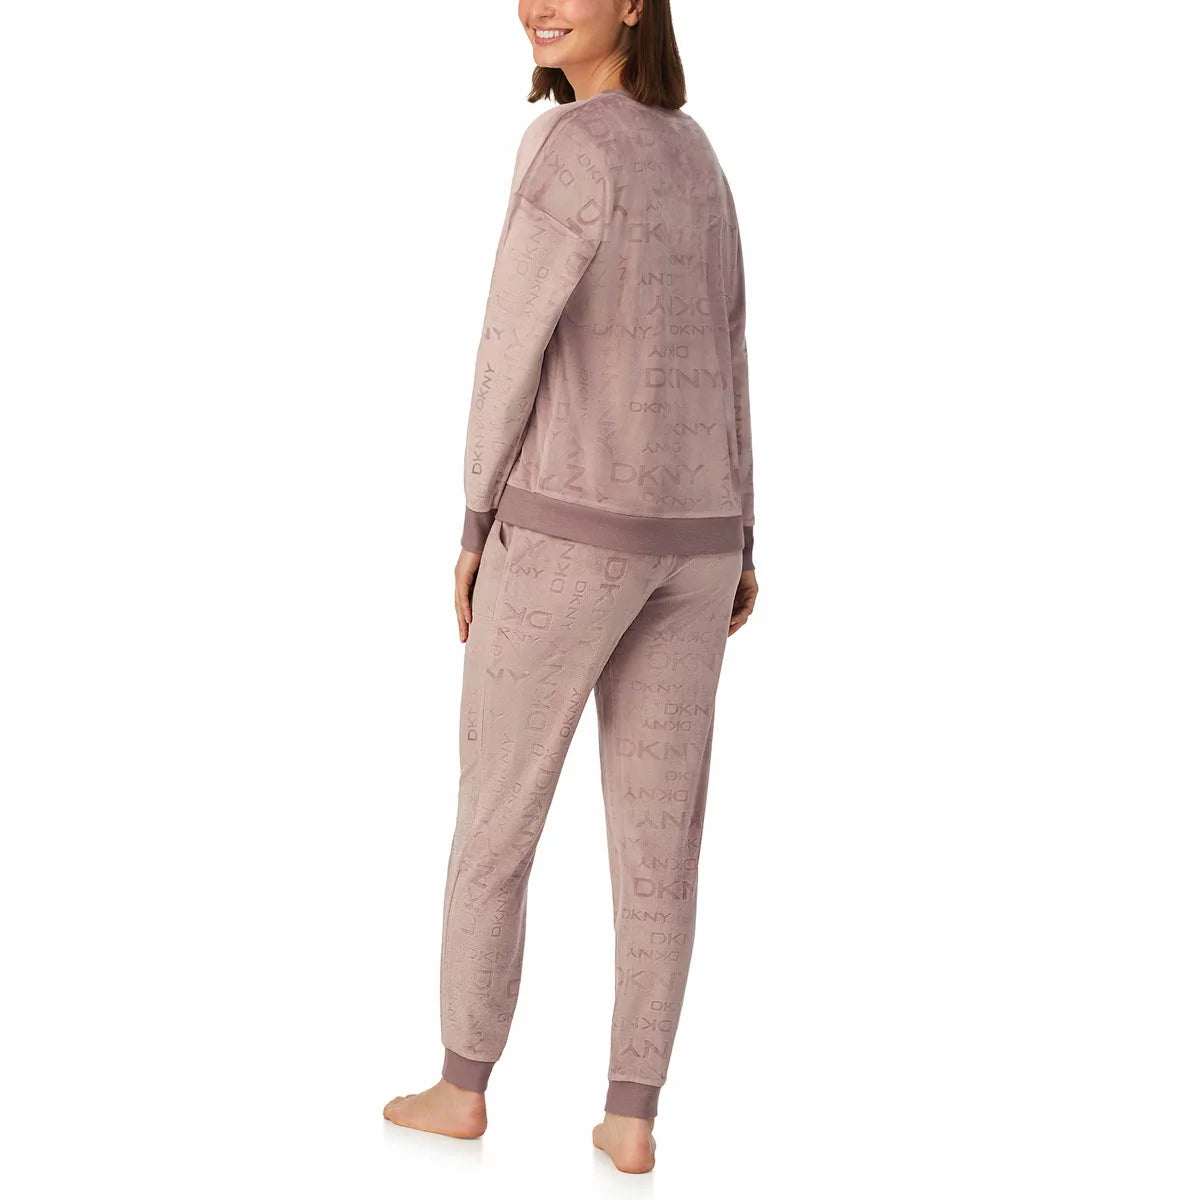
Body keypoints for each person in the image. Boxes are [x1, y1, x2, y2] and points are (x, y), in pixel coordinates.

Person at [383, 0, 758, 1174]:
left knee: (497, 819)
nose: (537, 5)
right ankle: (631, 1118)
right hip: (699, 540)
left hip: (566, 536)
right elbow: (730, 348)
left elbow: (510, 345)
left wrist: (474, 519)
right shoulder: (699, 155)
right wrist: (744, 532)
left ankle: (462, 1089)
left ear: (635, 2)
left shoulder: (565, 145)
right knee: (662, 845)